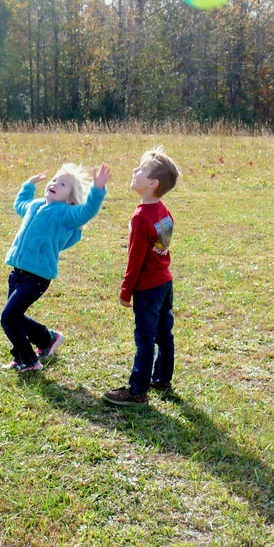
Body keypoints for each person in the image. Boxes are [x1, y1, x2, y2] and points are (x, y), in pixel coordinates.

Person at [0, 162, 110, 373]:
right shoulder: (35, 205)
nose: (54, 184)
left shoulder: (65, 214)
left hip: (36, 277)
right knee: (15, 316)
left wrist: (97, 190)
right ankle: (47, 338)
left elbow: (87, 211)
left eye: (62, 184)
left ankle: (28, 360)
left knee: (8, 317)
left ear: (70, 198)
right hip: (17, 273)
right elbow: (19, 205)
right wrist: (29, 185)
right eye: (54, 180)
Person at [103, 147, 180, 407]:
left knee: (145, 338)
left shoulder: (140, 217)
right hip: (164, 283)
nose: (135, 171)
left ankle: (137, 391)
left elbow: (134, 260)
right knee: (164, 334)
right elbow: (162, 247)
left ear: (152, 184)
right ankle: (162, 379)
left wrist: (126, 291)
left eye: (140, 170)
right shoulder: (164, 211)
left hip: (148, 288)